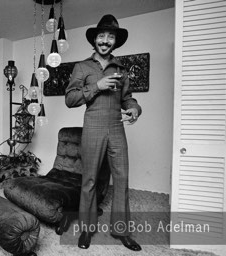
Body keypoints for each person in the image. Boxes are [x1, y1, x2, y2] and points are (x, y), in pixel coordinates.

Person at [65, 14, 142, 251]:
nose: (106, 40)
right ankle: (87, 230)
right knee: (88, 180)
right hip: (93, 127)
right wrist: (96, 86)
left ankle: (121, 231)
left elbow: (128, 99)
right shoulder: (82, 67)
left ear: (115, 42)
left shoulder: (122, 70)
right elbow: (70, 99)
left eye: (110, 37)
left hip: (117, 128)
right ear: (95, 40)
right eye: (102, 36)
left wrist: (134, 110)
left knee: (121, 179)